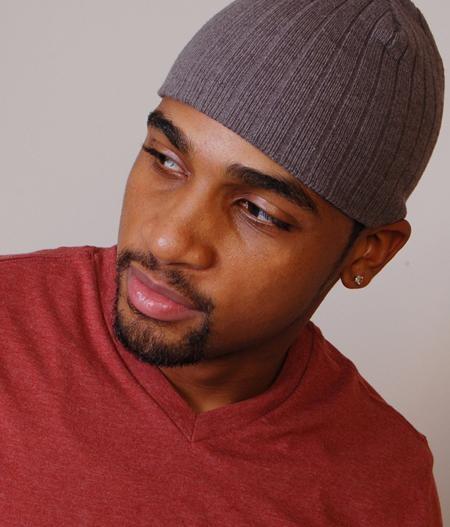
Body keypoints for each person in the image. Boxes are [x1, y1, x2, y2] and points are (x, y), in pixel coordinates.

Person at [0, 0, 444, 525]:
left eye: (257, 210)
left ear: (368, 252)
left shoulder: (381, 484)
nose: (167, 241)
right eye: (166, 159)